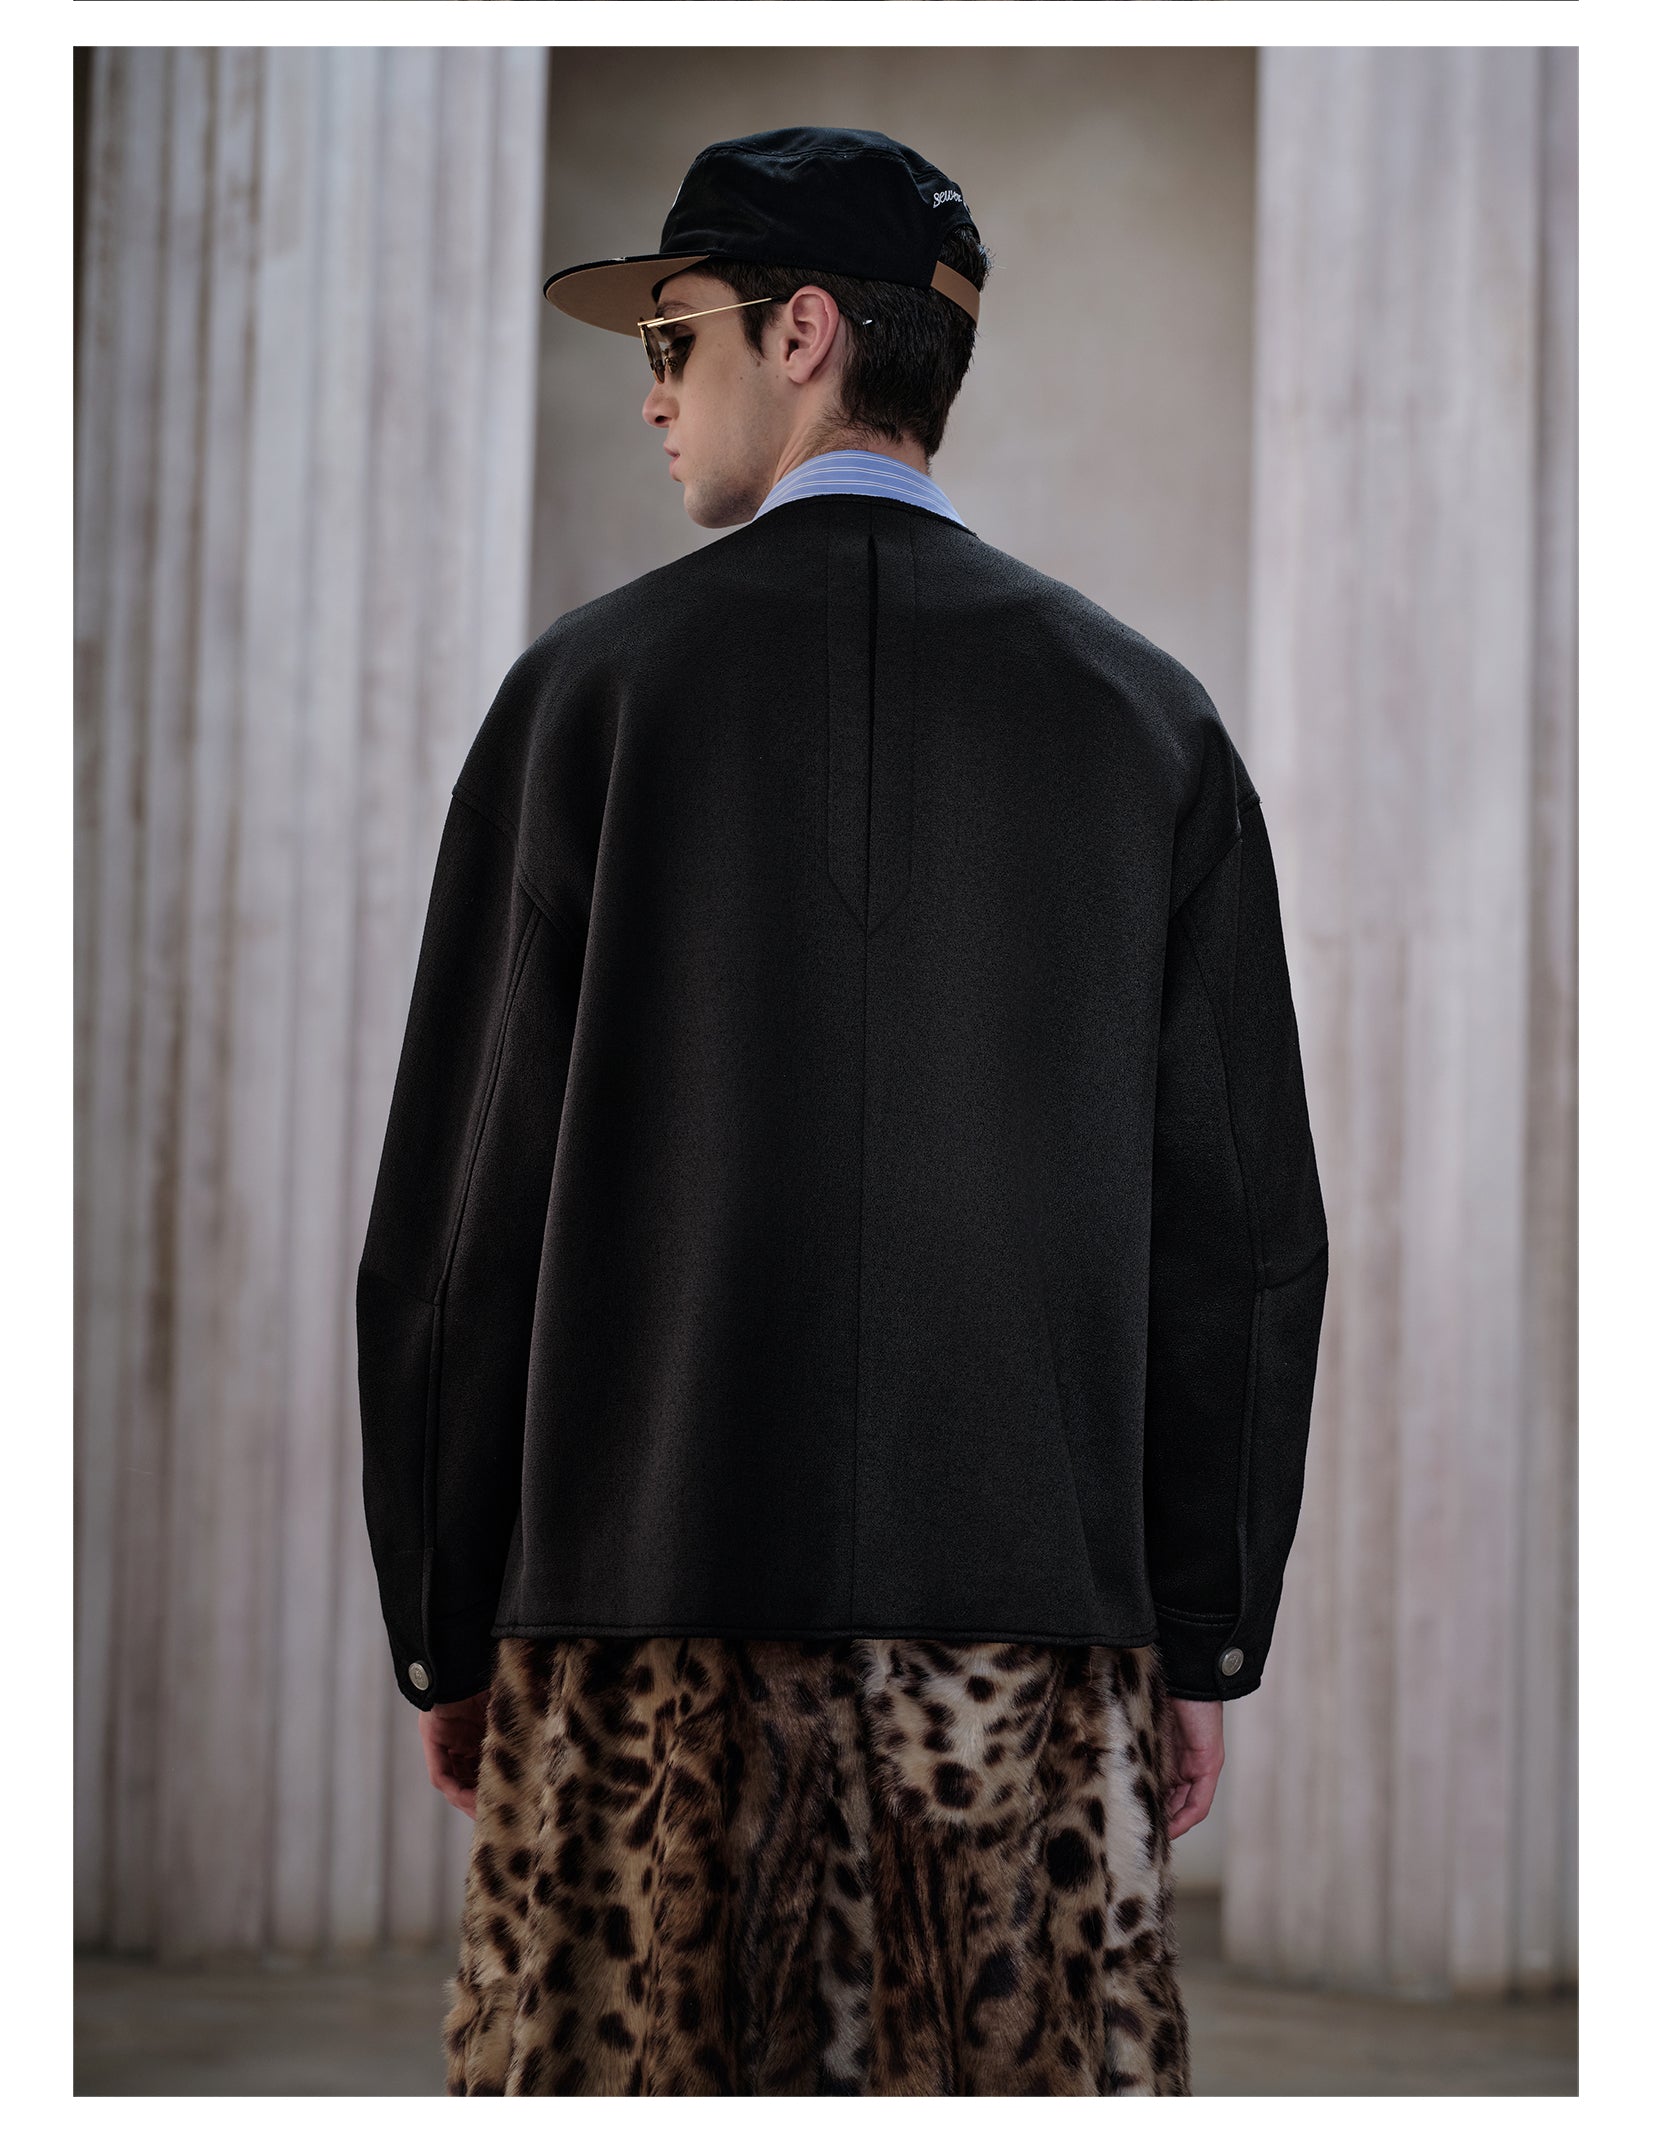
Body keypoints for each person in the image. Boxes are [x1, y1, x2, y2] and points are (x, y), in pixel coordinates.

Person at [355, 126, 1329, 2097]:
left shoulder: (583, 698)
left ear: (797, 333)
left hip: (637, 1638)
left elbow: (458, 1225)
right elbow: (1237, 1237)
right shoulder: (1144, 721)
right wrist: (1194, 1626)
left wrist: (452, 1617)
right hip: (1024, 1657)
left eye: (673, 336)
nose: (652, 392)